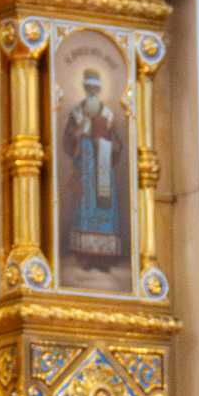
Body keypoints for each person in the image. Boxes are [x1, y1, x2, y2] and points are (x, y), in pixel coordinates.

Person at [59, 68, 129, 269]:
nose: (92, 91)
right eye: (88, 87)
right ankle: (86, 256)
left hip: (103, 166)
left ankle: (104, 258)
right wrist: (78, 134)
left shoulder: (108, 114)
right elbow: (68, 140)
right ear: (84, 87)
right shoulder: (76, 113)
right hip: (86, 167)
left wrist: (110, 145)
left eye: (94, 88)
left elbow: (117, 143)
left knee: (104, 208)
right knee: (86, 206)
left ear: (98, 90)